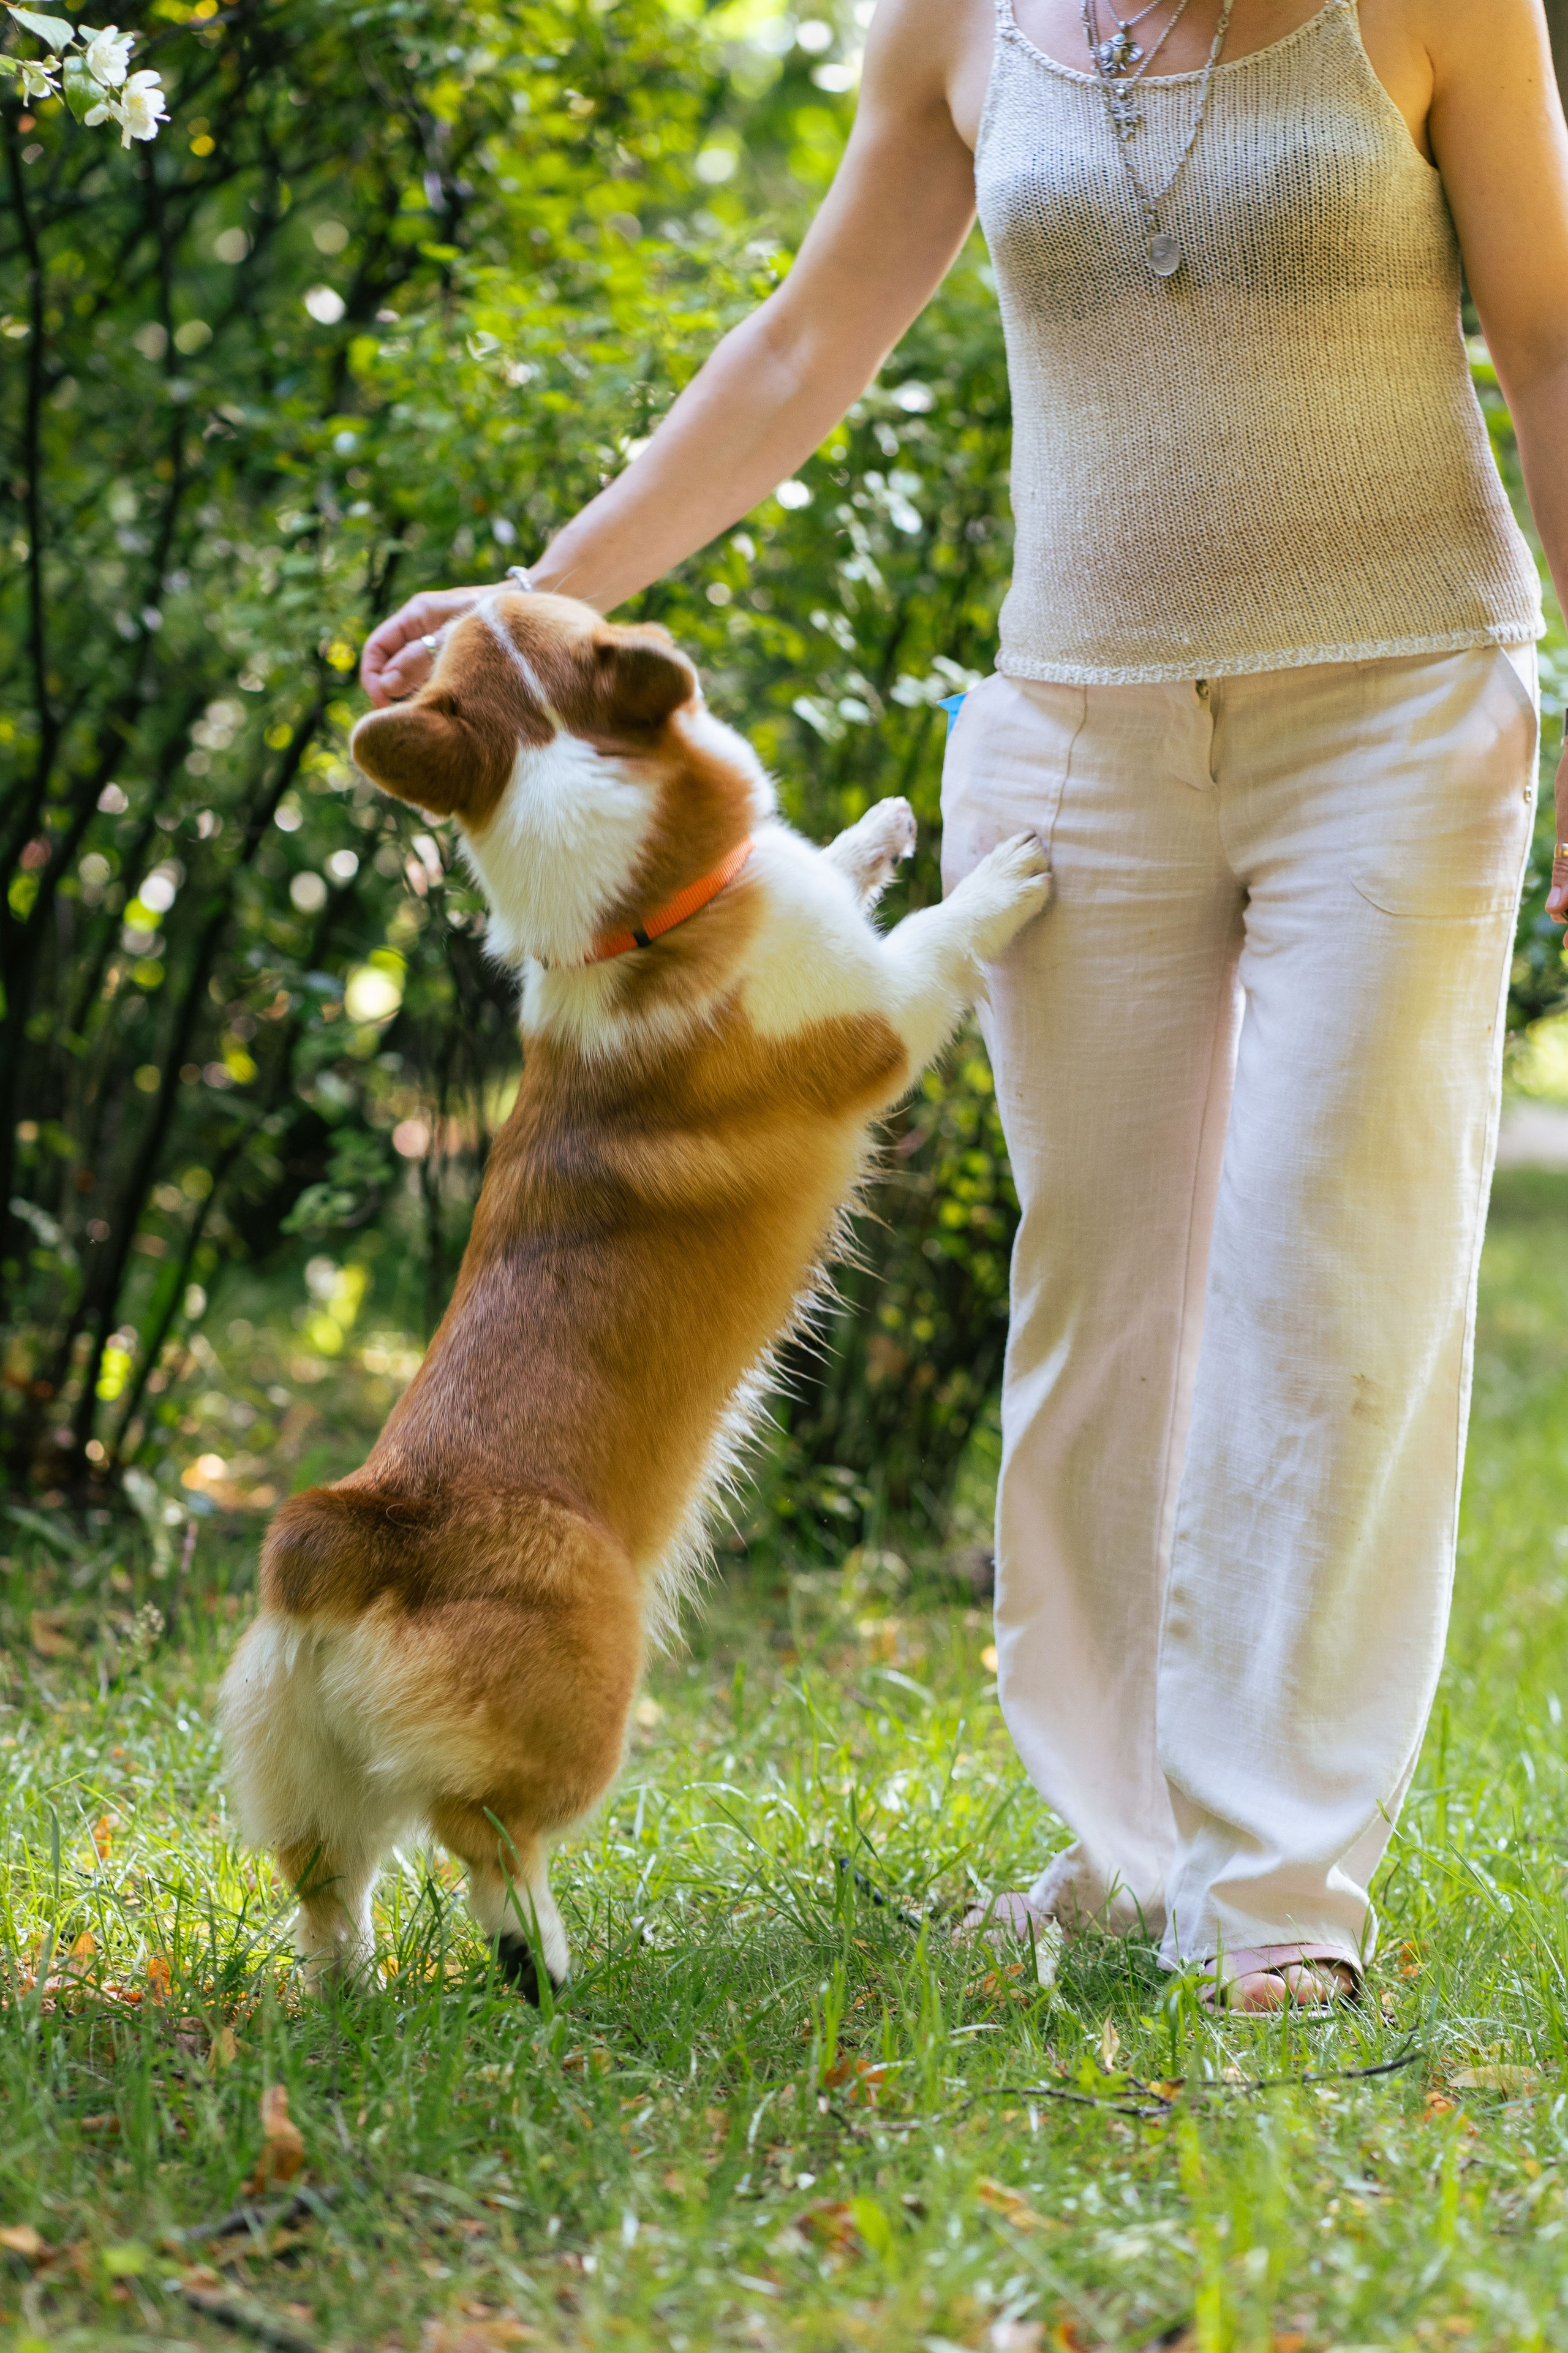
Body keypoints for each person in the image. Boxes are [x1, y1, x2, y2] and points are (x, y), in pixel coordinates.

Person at [361, 0, 1568, 2011]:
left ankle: (1273, 1893)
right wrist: (527, 616)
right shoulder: (957, 17)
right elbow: (806, 343)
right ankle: (1122, 1841)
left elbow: (1550, 337)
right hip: (1076, 727)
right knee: (1103, 1294)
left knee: (1332, 1274)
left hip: (1402, 702)